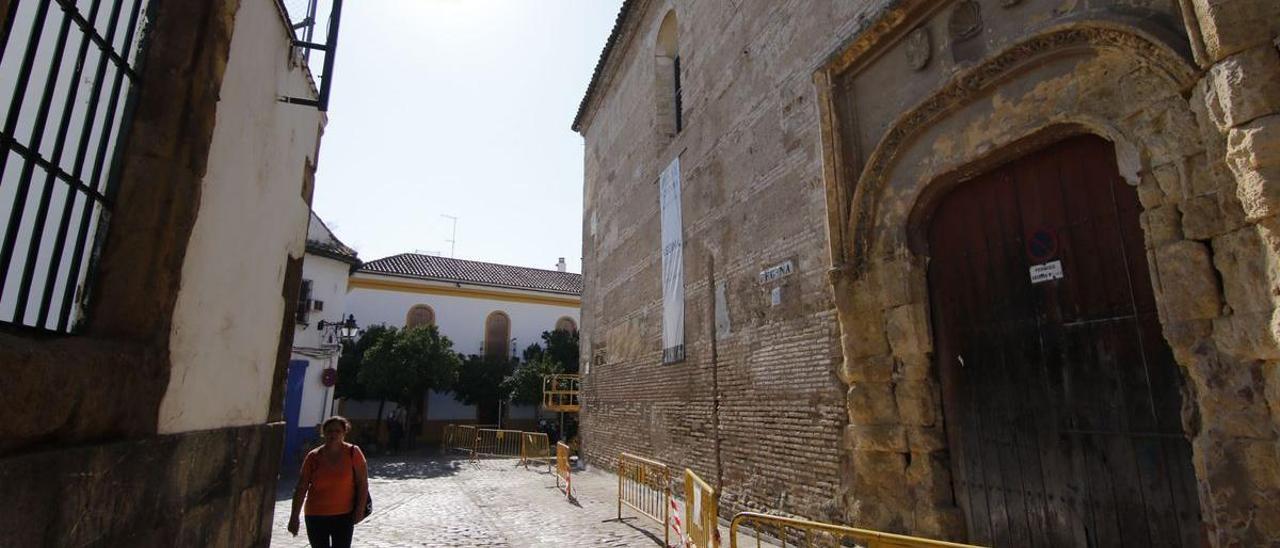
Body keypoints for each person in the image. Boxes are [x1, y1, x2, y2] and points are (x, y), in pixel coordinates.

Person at [288, 416, 369, 548]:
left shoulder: (353, 453)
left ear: (344, 432)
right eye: (330, 431)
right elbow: (301, 487)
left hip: (344, 515)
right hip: (316, 515)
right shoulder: (313, 457)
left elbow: (362, 483)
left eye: (337, 431)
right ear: (323, 433)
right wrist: (294, 516)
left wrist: (360, 510)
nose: (333, 434)